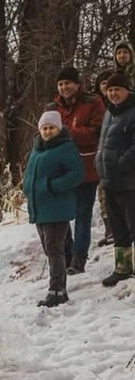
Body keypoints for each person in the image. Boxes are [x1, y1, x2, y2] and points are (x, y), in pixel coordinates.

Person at [45, 66, 105, 275]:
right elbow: (44, 134)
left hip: (85, 168)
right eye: (61, 84)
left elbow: (98, 133)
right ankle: (67, 253)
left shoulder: (93, 102)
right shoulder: (53, 107)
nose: (64, 88)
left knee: (82, 215)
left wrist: (68, 133)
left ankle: (79, 259)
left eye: (68, 83)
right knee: (62, 214)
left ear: (78, 84)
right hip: (60, 171)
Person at [23, 111, 83, 307]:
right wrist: (26, 187)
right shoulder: (37, 149)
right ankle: (56, 286)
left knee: (54, 249)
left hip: (57, 207)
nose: (47, 132)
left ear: (58, 129)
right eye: (44, 128)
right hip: (40, 208)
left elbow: (76, 174)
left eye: (51, 128)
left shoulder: (65, 148)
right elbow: (30, 174)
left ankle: (57, 290)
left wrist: (52, 186)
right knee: (50, 249)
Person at [95, 72, 135, 286]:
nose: (113, 93)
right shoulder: (109, 113)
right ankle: (123, 267)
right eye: (110, 90)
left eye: (117, 89)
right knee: (118, 227)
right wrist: (98, 161)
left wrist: (122, 163)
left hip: (129, 181)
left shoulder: (132, 112)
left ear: (127, 90)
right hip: (109, 180)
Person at [94, 69, 114, 247]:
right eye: (103, 83)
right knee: (103, 194)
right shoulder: (95, 105)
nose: (106, 86)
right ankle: (110, 229)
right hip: (100, 154)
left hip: (119, 156)